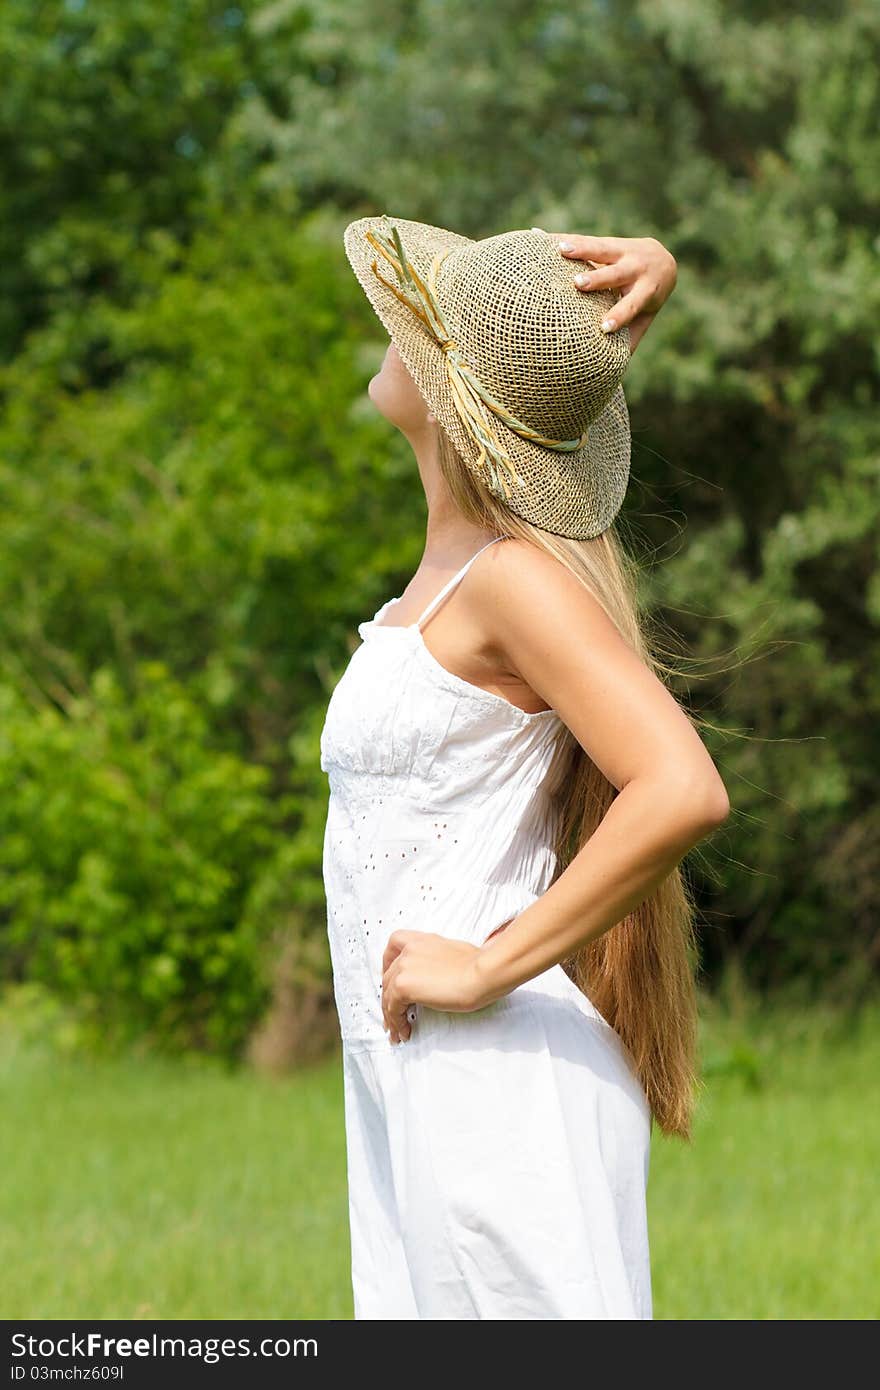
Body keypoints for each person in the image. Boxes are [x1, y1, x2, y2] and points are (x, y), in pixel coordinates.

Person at [319, 215, 729, 1320]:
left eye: (424, 323)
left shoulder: (510, 581)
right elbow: (537, 355)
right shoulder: (451, 577)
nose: (390, 329)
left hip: (492, 1080)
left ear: (452, 392)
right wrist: (640, 270)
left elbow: (682, 787)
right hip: (414, 1076)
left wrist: (490, 967)